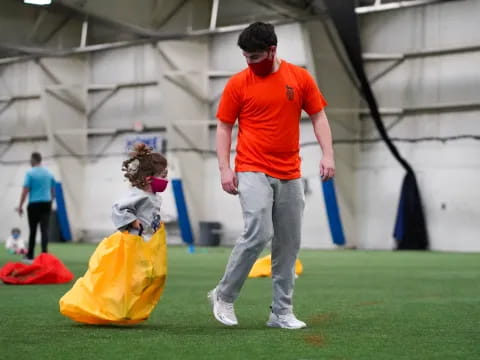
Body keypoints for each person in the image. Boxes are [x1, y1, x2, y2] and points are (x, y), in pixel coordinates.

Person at [208, 22, 335, 329]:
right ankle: (224, 295)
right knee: (259, 231)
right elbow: (224, 127)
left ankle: (280, 312)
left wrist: (328, 154)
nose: (249, 62)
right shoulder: (238, 83)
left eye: (254, 56)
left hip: (290, 172)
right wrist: (225, 168)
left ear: (272, 50)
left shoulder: (300, 78)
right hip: (251, 167)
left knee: (289, 244)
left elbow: (318, 116)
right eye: (245, 57)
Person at [112, 143, 168, 239]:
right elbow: (118, 208)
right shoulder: (138, 195)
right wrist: (132, 221)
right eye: (163, 176)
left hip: (147, 242)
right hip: (134, 242)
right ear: (148, 179)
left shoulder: (155, 197)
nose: (166, 180)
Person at [16, 152, 55, 263]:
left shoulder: (30, 173)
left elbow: (25, 191)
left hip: (34, 204)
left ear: (33, 160)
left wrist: (20, 206)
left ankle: (30, 255)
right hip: (46, 203)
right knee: (45, 230)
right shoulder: (49, 173)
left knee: (33, 230)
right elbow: (53, 190)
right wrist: (51, 201)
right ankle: (44, 255)